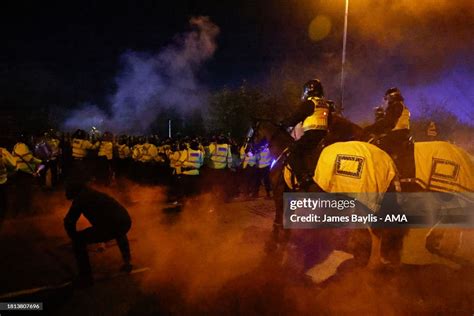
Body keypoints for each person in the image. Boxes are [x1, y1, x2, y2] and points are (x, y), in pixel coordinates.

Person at [64, 181, 132, 287]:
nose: (65, 192)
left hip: (114, 224)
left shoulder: (81, 198)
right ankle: (127, 262)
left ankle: (86, 277)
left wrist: (73, 236)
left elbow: (69, 221)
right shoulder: (92, 193)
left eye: (67, 189)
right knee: (119, 232)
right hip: (125, 221)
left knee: (78, 241)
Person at [281, 79, 331, 189]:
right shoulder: (326, 104)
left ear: (307, 91)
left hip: (312, 136)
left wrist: (284, 123)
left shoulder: (309, 103)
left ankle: (303, 177)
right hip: (325, 136)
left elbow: (296, 117)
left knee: (292, 153)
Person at [365, 87, 413, 178]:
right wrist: (380, 117)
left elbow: (388, 124)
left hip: (396, 136)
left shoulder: (396, 105)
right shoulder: (401, 105)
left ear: (391, 97)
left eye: (386, 99)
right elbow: (388, 122)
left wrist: (368, 129)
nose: (385, 102)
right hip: (401, 135)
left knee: (375, 149)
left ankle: (380, 174)